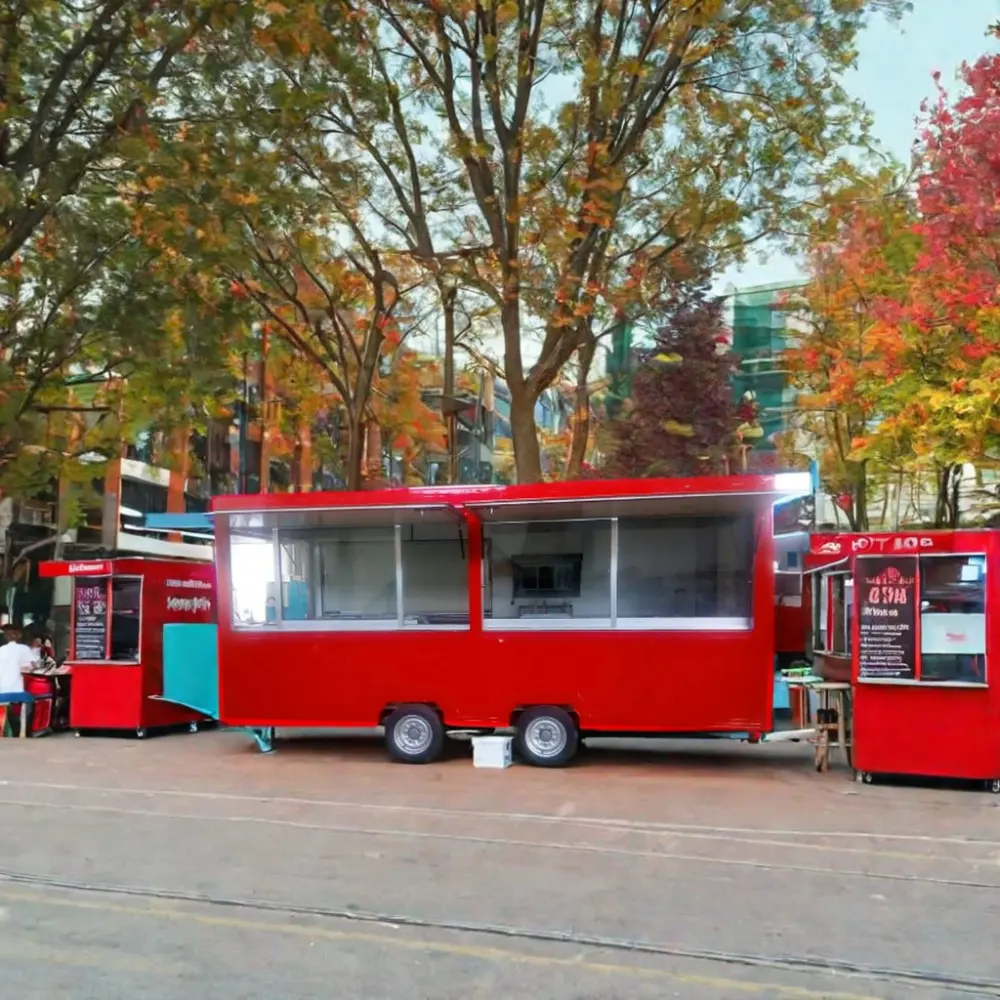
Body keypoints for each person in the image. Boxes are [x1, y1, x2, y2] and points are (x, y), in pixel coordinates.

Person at [0, 626, 35, 736]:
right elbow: (33, 666)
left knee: (9, 706)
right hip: (17, 692)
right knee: (31, 699)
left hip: (1, 692)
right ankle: (25, 732)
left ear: (6, 637)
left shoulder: (1, 650)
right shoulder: (24, 648)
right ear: (19, 636)